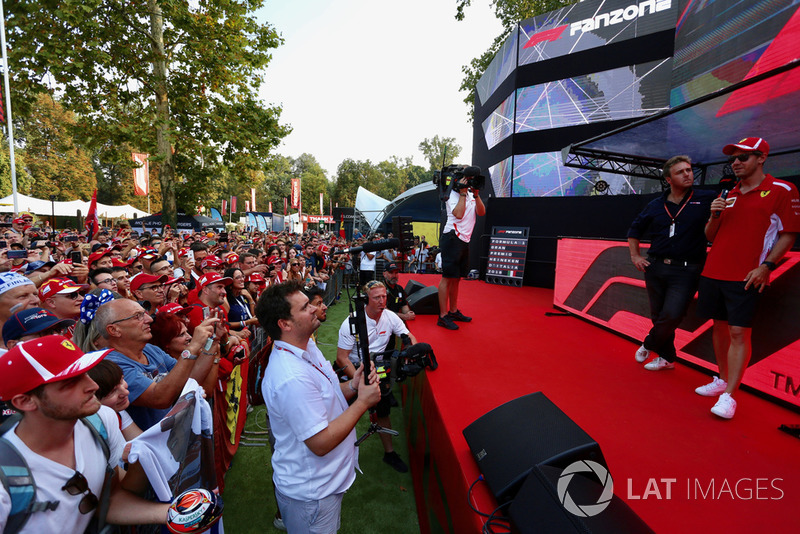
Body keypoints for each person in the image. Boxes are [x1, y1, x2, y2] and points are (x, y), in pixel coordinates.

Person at [0, 336, 171, 531]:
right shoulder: (5, 477)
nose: (93, 386)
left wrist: (173, 513)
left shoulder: (99, 422)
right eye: (70, 382)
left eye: (87, 373)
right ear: (25, 401)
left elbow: (109, 499)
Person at [255, 280, 381, 533]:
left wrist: (353, 387)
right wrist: (364, 402)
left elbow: (327, 395)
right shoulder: (291, 376)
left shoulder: (305, 345)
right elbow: (320, 443)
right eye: (305, 307)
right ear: (285, 324)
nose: (314, 308)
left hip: (324, 484)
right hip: (312, 493)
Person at [696, 137, 800, 419]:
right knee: (718, 327)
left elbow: (789, 233)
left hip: (747, 275)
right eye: (734, 158)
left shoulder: (782, 189)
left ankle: (730, 395)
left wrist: (767, 266)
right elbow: (709, 236)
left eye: (743, 157)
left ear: (761, 158)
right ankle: (720, 379)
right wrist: (714, 215)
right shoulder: (728, 194)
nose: (736, 163)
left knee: (739, 333)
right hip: (713, 272)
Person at [627, 156, 714, 371]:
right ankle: (667, 357)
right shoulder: (655, 205)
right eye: (680, 172)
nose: (687, 174)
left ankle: (649, 343)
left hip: (687, 269)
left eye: (689, 170)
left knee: (672, 314)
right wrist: (635, 256)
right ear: (668, 179)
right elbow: (634, 231)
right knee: (659, 315)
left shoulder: (706, 198)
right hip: (655, 267)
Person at [93, 298, 217, 430]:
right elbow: (160, 398)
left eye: (145, 313)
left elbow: (191, 379)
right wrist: (192, 348)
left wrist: (213, 343)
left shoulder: (150, 350)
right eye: (138, 316)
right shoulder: (111, 364)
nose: (149, 320)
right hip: (143, 447)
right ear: (114, 330)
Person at [336, 280, 417, 472]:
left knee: (383, 411)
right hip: (353, 370)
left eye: (384, 296)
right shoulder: (351, 322)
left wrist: (412, 351)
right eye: (377, 297)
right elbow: (341, 358)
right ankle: (338, 454)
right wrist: (361, 379)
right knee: (343, 414)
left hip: (378, 369)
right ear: (366, 300)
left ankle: (389, 453)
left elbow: (408, 336)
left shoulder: (390, 316)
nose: (382, 301)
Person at [437, 169, 486, 330]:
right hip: (452, 237)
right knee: (447, 277)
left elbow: (481, 212)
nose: (469, 182)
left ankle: (453, 310)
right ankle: (443, 316)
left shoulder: (471, 194)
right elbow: (458, 214)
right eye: (468, 179)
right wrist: (463, 194)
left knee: (456, 278)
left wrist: (476, 194)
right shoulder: (452, 195)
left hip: (464, 240)